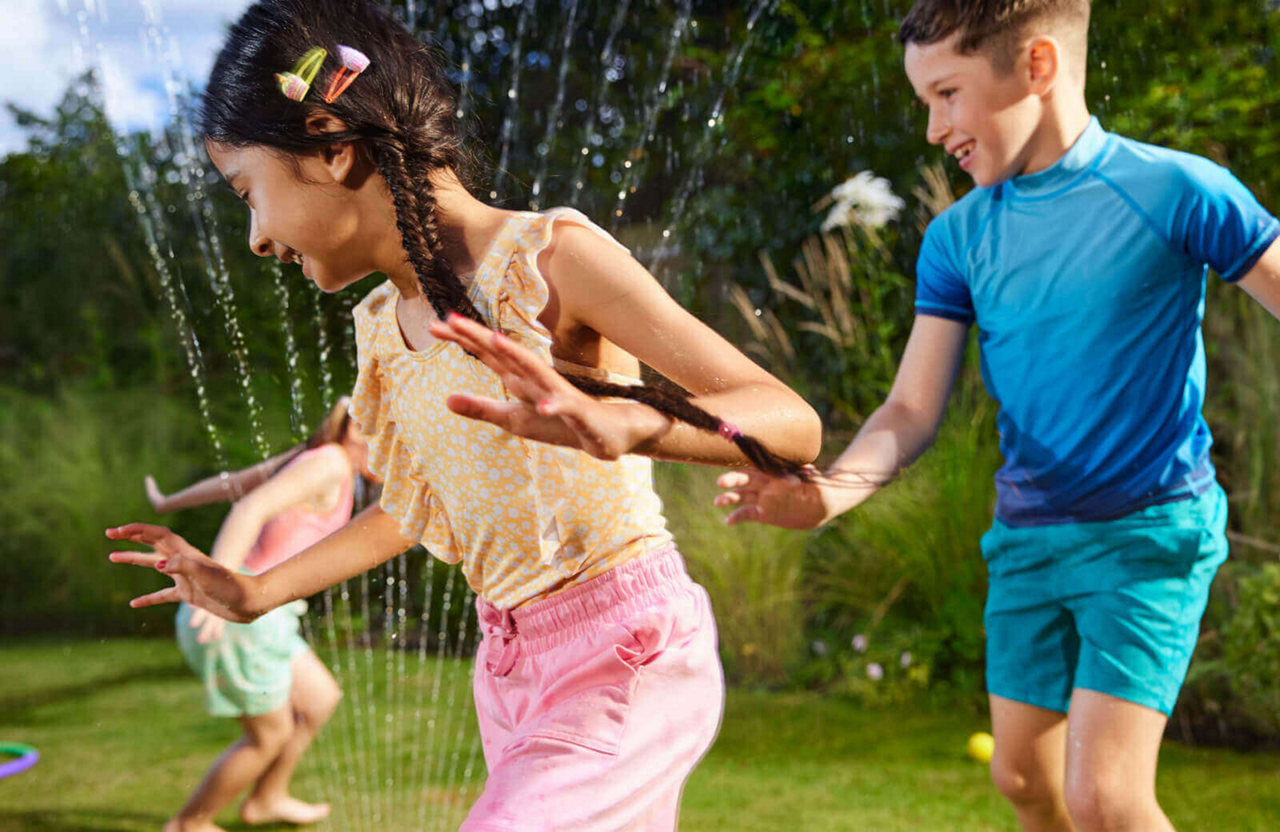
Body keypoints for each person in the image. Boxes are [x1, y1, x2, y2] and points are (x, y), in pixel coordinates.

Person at [107, 1, 821, 829]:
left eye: (248, 193)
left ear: (332, 148)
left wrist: (643, 426)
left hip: (625, 649)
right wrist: (260, 590)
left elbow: (789, 420)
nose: (257, 238)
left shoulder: (547, 260)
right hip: (513, 667)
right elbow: (417, 507)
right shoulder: (380, 328)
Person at [713, 2, 1280, 831]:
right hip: (1025, 540)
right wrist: (832, 491)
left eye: (948, 94)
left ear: (1038, 67)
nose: (935, 128)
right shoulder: (958, 238)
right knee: (1022, 779)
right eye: (924, 103)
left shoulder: (1175, 192)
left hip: (1149, 536)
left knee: (1107, 800)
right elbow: (910, 407)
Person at [149, 397, 374, 832]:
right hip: (239, 612)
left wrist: (168, 502)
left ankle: (268, 799)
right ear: (361, 432)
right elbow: (248, 507)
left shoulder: (315, 459)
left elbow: (235, 485)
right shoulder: (329, 464)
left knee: (318, 700)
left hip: (265, 614)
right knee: (269, 735)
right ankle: (188, 825)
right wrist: (220, 590)